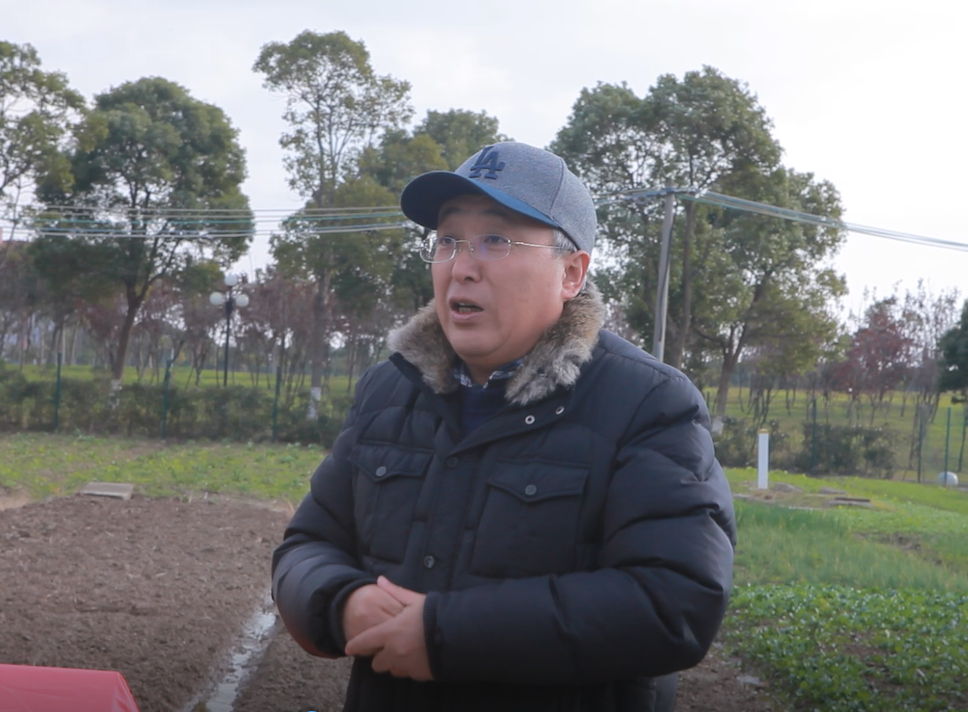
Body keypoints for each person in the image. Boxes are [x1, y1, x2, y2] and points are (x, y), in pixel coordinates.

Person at [271, 141, 736, 712]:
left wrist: (446, 636)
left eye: (496, 239)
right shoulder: (388, 392)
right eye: (448, 240)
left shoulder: (647, 403)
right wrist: (341, 602)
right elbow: (308, 544)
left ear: (571, 273)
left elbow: (674, 602)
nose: (462, 267)